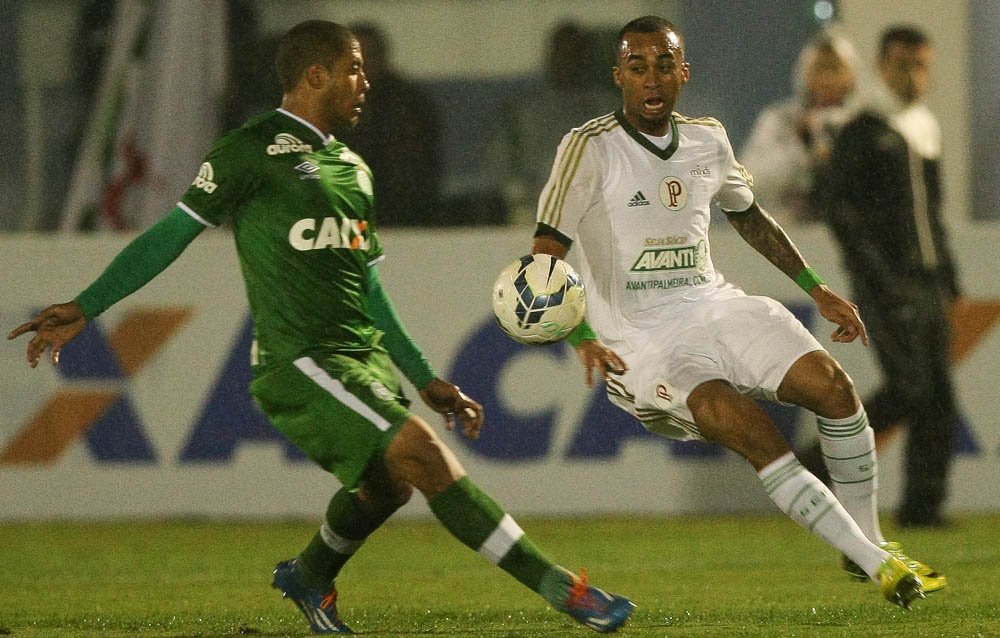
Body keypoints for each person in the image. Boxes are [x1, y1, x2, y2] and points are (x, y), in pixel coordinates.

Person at [7, 20, 634, 635]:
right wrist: (88, 304)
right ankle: (563, 589)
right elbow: (172, 234)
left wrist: (423, 378)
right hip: (298, 361)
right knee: (422, 453)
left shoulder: (353, 170)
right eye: (354, 69)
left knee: (387, 489)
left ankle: (310, 574)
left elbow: (370, 290)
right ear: (315, 75)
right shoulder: (251, 149)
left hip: (359, 357)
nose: (366, 82)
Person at [527, 15, 946, 610]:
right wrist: (584, 336)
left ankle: (869, 542)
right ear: (618, 75)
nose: (652, 79)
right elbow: (547, 255)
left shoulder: (707, 139)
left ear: (683, 73)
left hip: (713, 303)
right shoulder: (588, 147)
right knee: (747, 426)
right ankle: (878, 563)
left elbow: (746, 214)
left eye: (664, 65)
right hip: (639, 337)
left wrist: (815, 285)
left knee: (833, 387)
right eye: (638, 67)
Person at [809, 25, 962, 528]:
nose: (915, 76)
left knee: (937, 393)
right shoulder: (863, 126)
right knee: (911, 387)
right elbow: (837, 207)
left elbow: (932, 213)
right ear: (881, 65)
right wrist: (875, 273)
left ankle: (924, 507)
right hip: (885, 281)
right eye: (903, 64)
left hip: (927, 278)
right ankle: (817, 465)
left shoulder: (922, 125)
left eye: (922, 65)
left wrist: (948, 273)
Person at [486, 20, 618, 224]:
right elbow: (502, 166)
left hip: (598, 211)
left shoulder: (608, 111)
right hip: (535, 213)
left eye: (574, 54)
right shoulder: (525, 112)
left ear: (585, 58)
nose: (566, 61)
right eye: (561, 53)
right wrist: (518, 200)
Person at [741, 28, 861, 225]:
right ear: (804, 72)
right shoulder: (780, 120)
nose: (827, 78)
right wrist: (800, 145)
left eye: (835, 68)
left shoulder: (865, 123)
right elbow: (750, 178)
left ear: (852, 74)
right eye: (820, 68)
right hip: (793, 229)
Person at [335, 22, 444, 226]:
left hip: (404, 213)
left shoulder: (409, 103)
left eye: (367, 57)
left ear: (382, 58)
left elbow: (413, 168)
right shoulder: (331, 105)